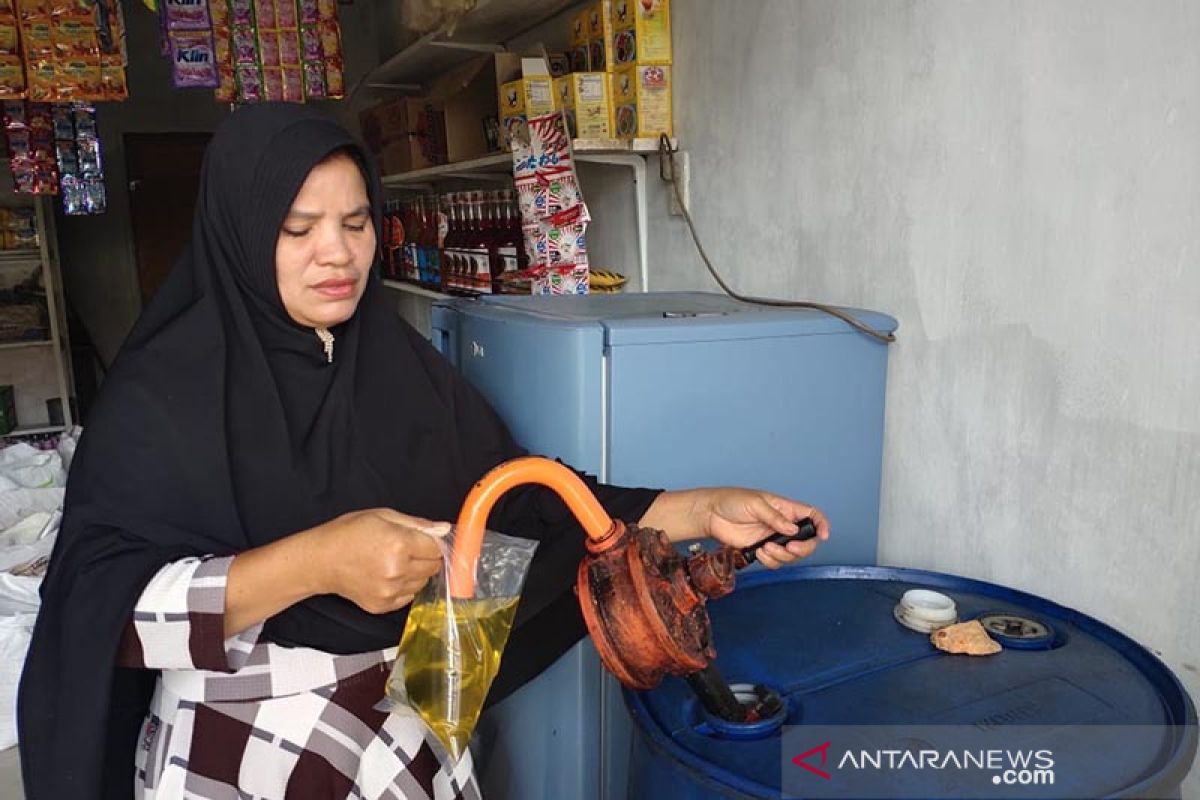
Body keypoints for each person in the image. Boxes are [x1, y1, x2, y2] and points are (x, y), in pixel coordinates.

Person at [17, 104, 830, 800]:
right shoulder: (162, 395)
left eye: (356, 222)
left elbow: (519, 500)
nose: (337, 254)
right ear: (235, 233)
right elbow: (101, 612)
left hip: (409, 744)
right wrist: (316, 563)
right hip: (247, 754)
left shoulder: (396, 363)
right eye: (296, 229)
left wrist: (700, 509)